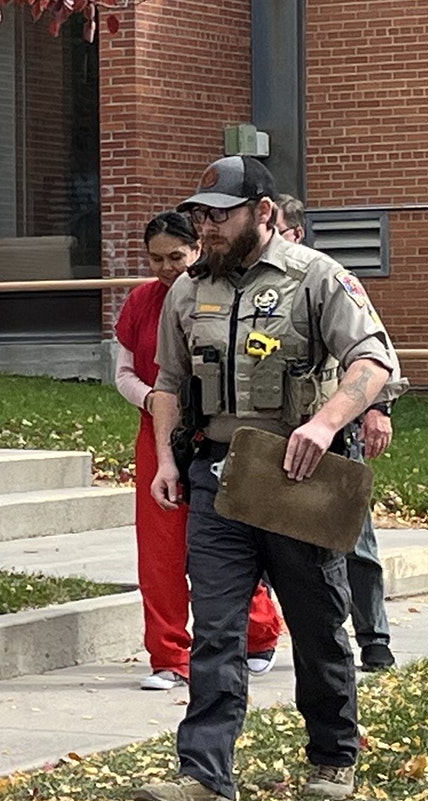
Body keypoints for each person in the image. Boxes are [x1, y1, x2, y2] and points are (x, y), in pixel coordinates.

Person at [132, 156, 403, 801]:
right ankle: (205, 779)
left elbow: (374, 361)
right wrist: (169, 461)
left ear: (264, 213)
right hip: (218, 474)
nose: (208, 226)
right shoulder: (187, 291)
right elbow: (169, 383)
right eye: (202, 214)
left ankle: (334, 754)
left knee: (316, 622)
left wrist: (325, 422)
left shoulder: (319, 279)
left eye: (220, 214)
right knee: (218, 627)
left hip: (299, 475)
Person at [113, 213, 283, 691]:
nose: (166, 268)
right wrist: (150, 399)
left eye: (176, 257)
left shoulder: (219, 291)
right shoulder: (142, 301)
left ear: (196, 250)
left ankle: (258, 632)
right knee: (160, 547)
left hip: (214, 431)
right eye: (156, 259)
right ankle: (169, 654)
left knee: (226, 537)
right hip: (159, 431)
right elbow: (124, 371)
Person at [278, 195, 396, 671]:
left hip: (334, 431)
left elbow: (375, 351)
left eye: (280, 234)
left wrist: (378, 408)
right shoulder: (241, 288)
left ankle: (373, 637)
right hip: (273, 436)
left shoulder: (323, 281)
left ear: (295, 234)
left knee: (356, 541)